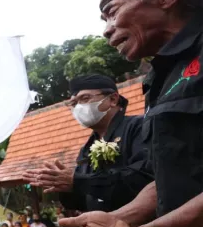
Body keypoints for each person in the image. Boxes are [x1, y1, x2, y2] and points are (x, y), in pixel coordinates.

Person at [60, 0, 203, 227]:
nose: (108, 31)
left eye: (111, 13)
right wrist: (123, 218)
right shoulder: (159, 77)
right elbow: (171, 174)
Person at [24, 74, 154, 212]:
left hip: (141, 225)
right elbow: (83, 202)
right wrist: (66, 188)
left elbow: (144, 179)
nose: (78, 107)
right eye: (73, 104)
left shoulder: (138, 127)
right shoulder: (87, 149)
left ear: (113, 99)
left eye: (85, 98)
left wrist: (78, 181)